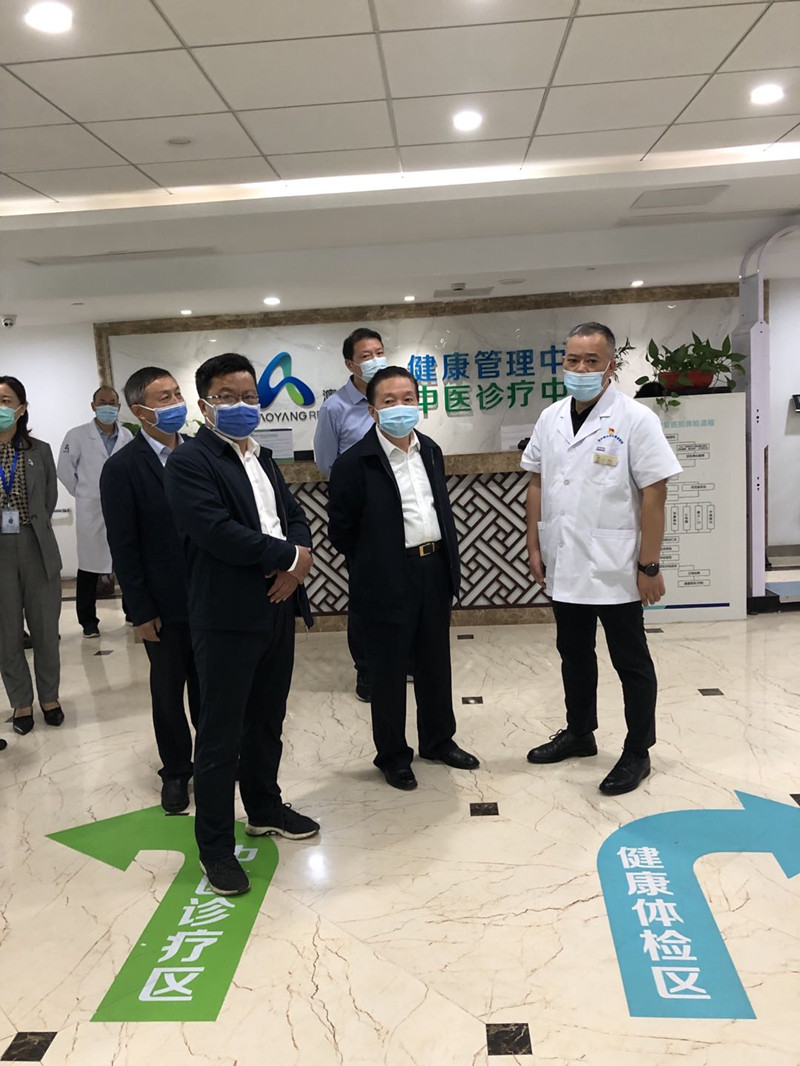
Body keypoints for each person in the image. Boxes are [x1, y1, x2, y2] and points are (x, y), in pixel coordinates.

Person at [164, 352, 319, 897]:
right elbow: (215, 531)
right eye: (228, 397)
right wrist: (288, 557)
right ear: (204, 404)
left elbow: (291, 515)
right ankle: (215, 848)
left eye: (250, 396)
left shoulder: (262, 455)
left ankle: (264, 807)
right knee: (219, 736)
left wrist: (296, 563)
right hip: (227, 615)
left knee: (268, 718)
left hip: (276, 606)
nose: (242, 406)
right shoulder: (190, 462)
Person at [522, 322, 682, 795]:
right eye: (572, 359)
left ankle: (638, 750)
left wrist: (649, 565)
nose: (580, 368)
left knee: (630, 661)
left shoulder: (635, 419)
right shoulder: (550, 417)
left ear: (610, 366)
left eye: (591, 361)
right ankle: (579, 732)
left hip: (617, 566)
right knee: (573, 654)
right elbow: (537, 482)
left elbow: (655, 493)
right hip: (565, 559)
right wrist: (535, 545)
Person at [328, 365, 479, 791]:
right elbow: (341, 531)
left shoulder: (430, 449)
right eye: (389, 401)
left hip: (434, 568)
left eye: (408, 399)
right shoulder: (354, 463)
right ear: (372, 410)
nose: (400, 407)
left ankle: (438, 740)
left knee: (435, 663)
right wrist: (376, 562)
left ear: (418, 403)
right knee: (388, 671)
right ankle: (393, 755)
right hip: (385, 576)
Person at [100, 367, 199, 814]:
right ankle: (176, 771)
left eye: (177, 393)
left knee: (212, 687)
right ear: (140, 411)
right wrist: (140, 610)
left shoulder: (201, 452)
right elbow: (124, 546)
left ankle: (215, 759)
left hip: (211, 596)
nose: (176, 403)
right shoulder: (122, 468)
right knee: (168, 690)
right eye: (164, 398)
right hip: (162, 603)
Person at [314, 327, 387, 703]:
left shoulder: (391, 397)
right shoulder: (335, 407)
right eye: (366, 355)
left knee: (402, 588)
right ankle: (367, 669)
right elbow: (327, 462)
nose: (375, 360)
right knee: (364, 593)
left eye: (379, 352)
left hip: (399, 512)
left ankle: (401, 661)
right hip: (359, 513)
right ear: (350, 364)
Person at [0, 376, 64, 737]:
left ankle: (50, 698)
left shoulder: (39, 450)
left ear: (21, 408)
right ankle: (21, 702)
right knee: (6, 632)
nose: (0, 407)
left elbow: (49, 498)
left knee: (45, 630)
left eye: (6, 400)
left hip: (36, 544)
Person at [57, 386, 133, 637]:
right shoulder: (77, 435)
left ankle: (133, 611)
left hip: (122, 507)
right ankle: (88, 621)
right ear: (93, 406)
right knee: (89, 565)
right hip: (91, 507)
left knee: (127, 561)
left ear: (119, 406)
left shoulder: (126, 436)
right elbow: (64, 470)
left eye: (112, 402)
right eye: (102, 402)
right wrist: (83, 492)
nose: (107, 407)